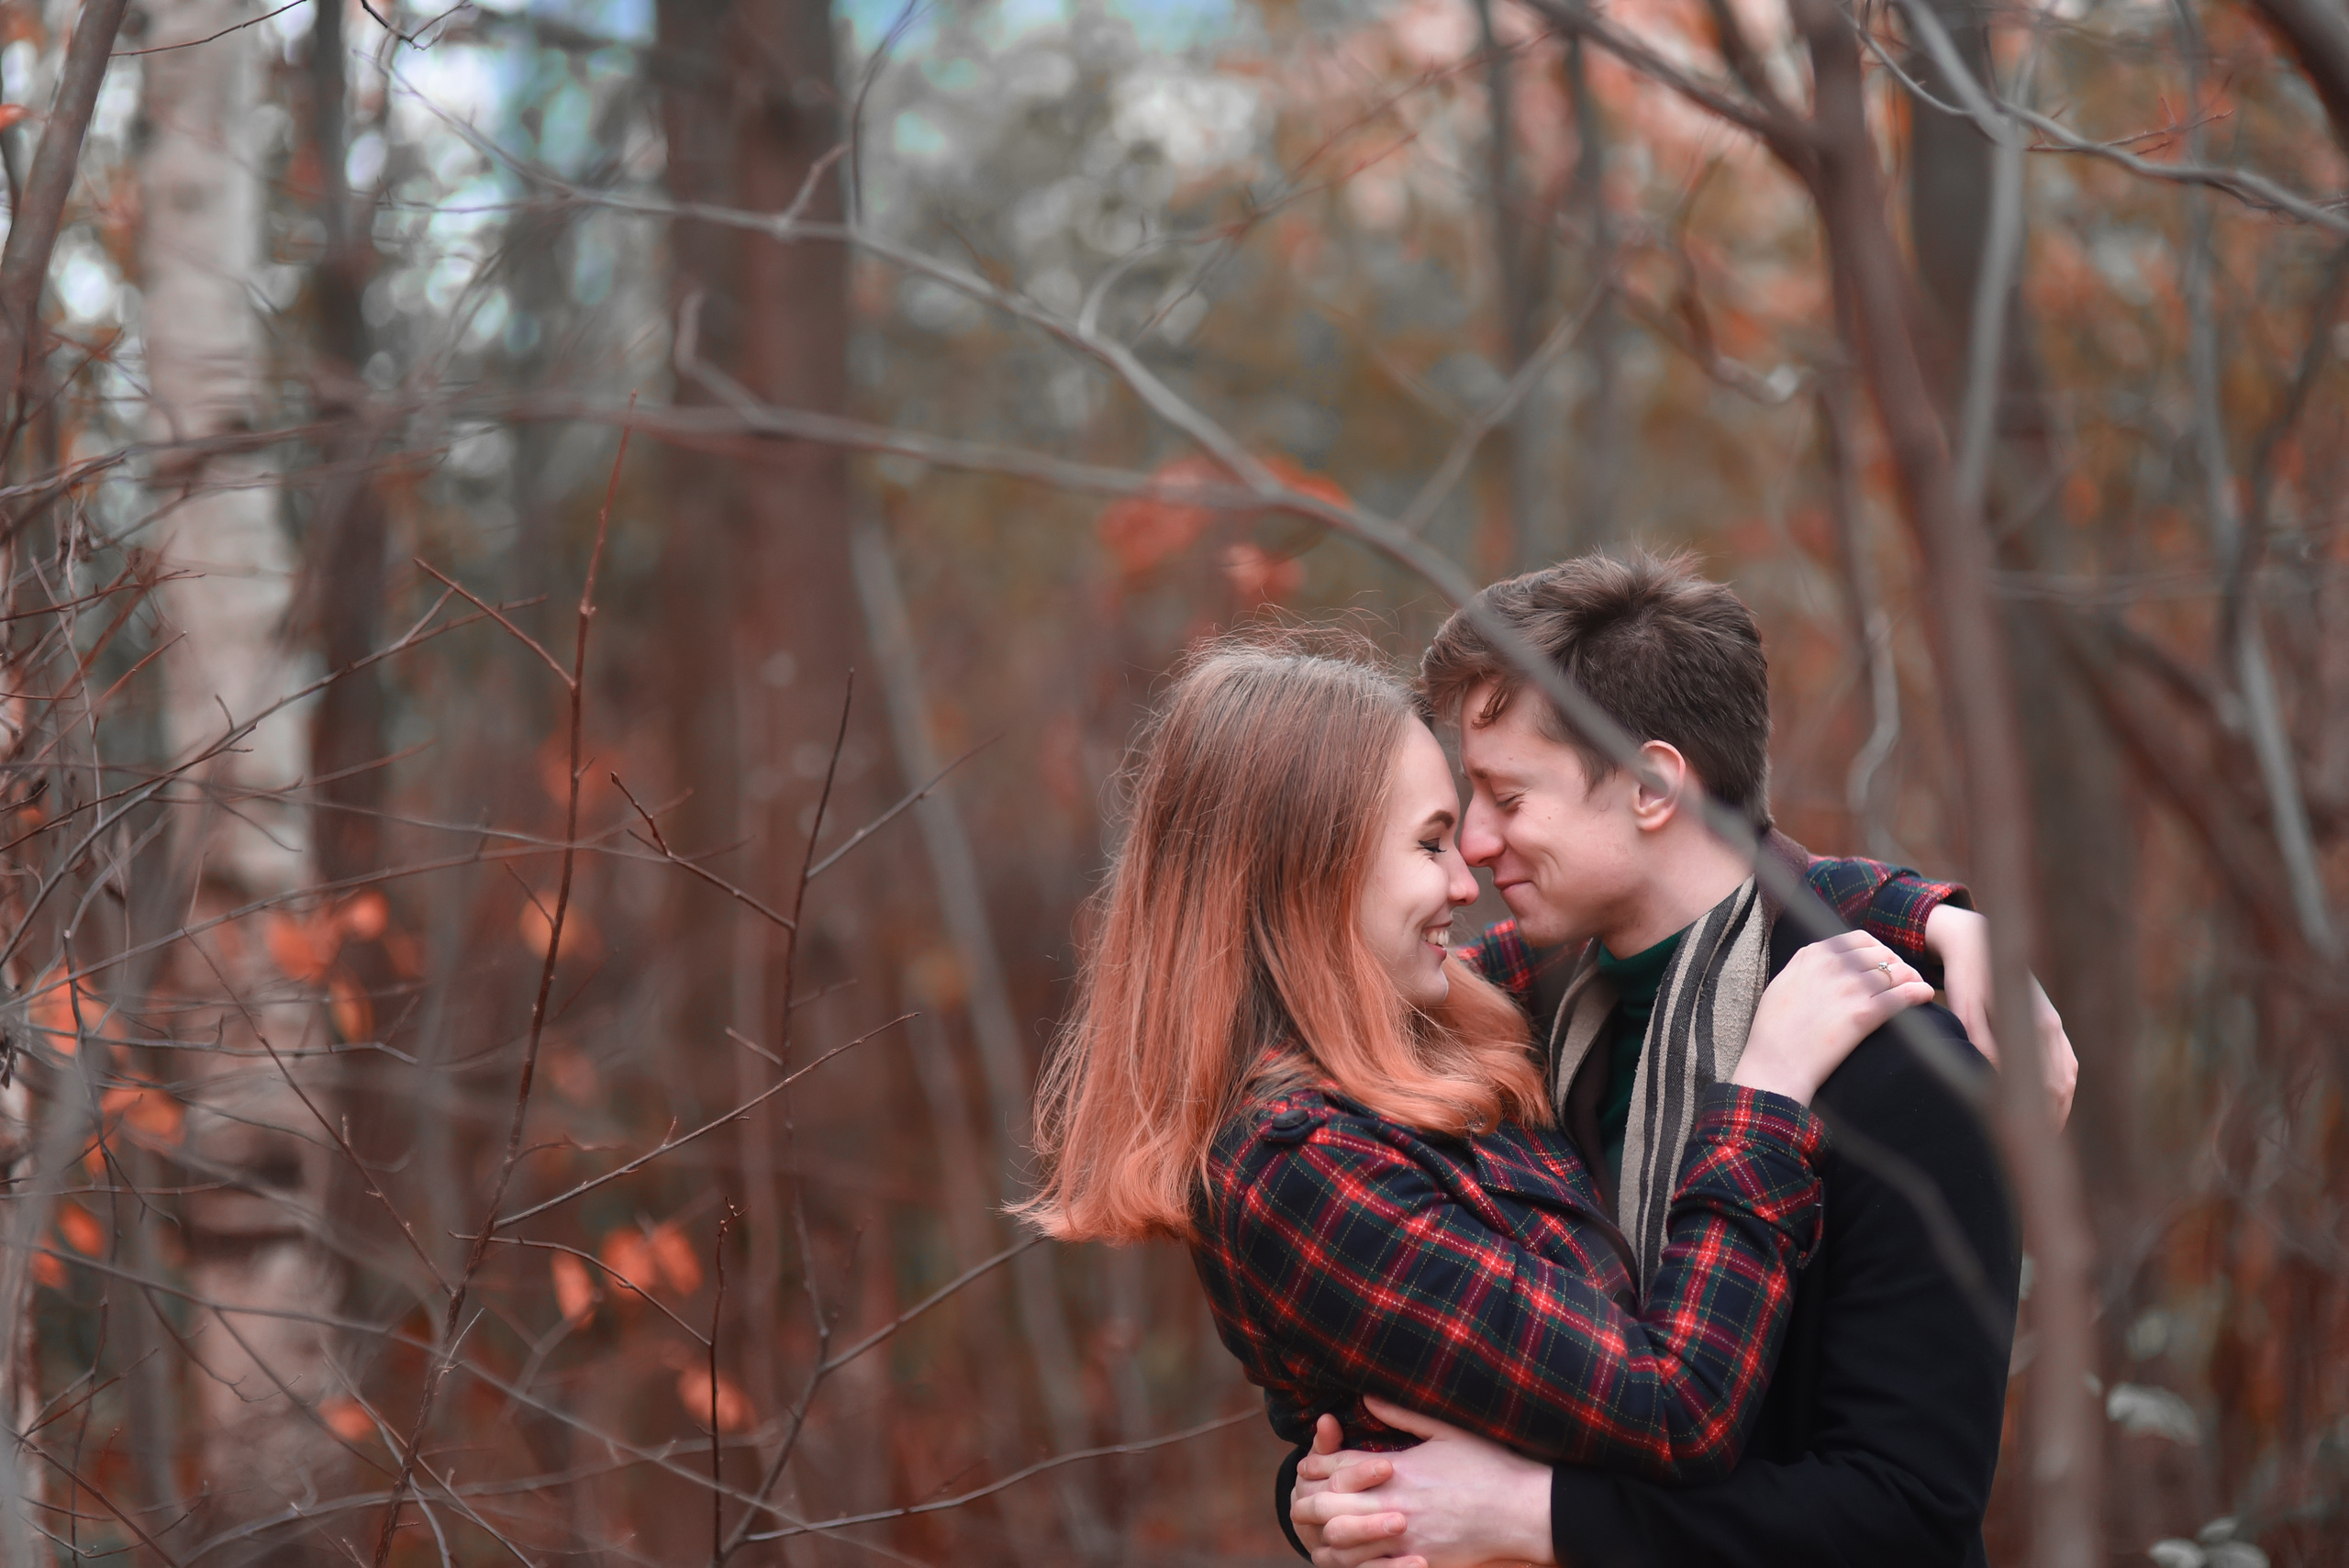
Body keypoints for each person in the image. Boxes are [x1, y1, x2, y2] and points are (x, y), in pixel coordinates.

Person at [1019, 628, 1955, 1493]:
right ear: (1309, 872)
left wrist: (1934, 916)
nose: (1467, 877)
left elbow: (1688, 901)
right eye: (1429, 842)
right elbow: (1675, 1407)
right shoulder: (1294, 1168)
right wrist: (1766, 1090)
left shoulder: (1417, 1019)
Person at [1289, 553, 2056, 1568]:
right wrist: (1346, 1494)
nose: (1473, 844)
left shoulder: (1904, 1065)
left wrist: (1536, 1516)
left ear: (1653, 787)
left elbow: (1905, 1512)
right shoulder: (1508, 1017)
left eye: (1506, 796)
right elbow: (1419, 1371)